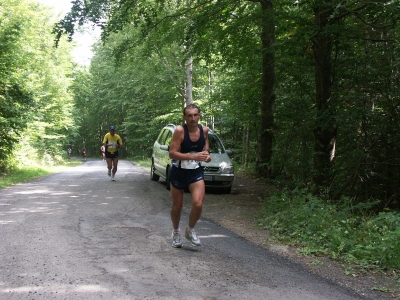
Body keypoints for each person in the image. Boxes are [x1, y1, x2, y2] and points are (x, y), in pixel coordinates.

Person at [168, 104, 212, 248]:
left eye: (195, 115)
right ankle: (175, 232)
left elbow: (206, 150)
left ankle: (190, 230)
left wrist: (206, 157)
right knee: (177, 206)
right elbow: (172, 153)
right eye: (189, 116)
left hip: (195, 172)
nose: (193, 118)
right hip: (179, 172)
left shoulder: (204, 130)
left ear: (199, 115)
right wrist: (192, 156)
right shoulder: (180, 131)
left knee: (198, 204)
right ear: (184, 117)